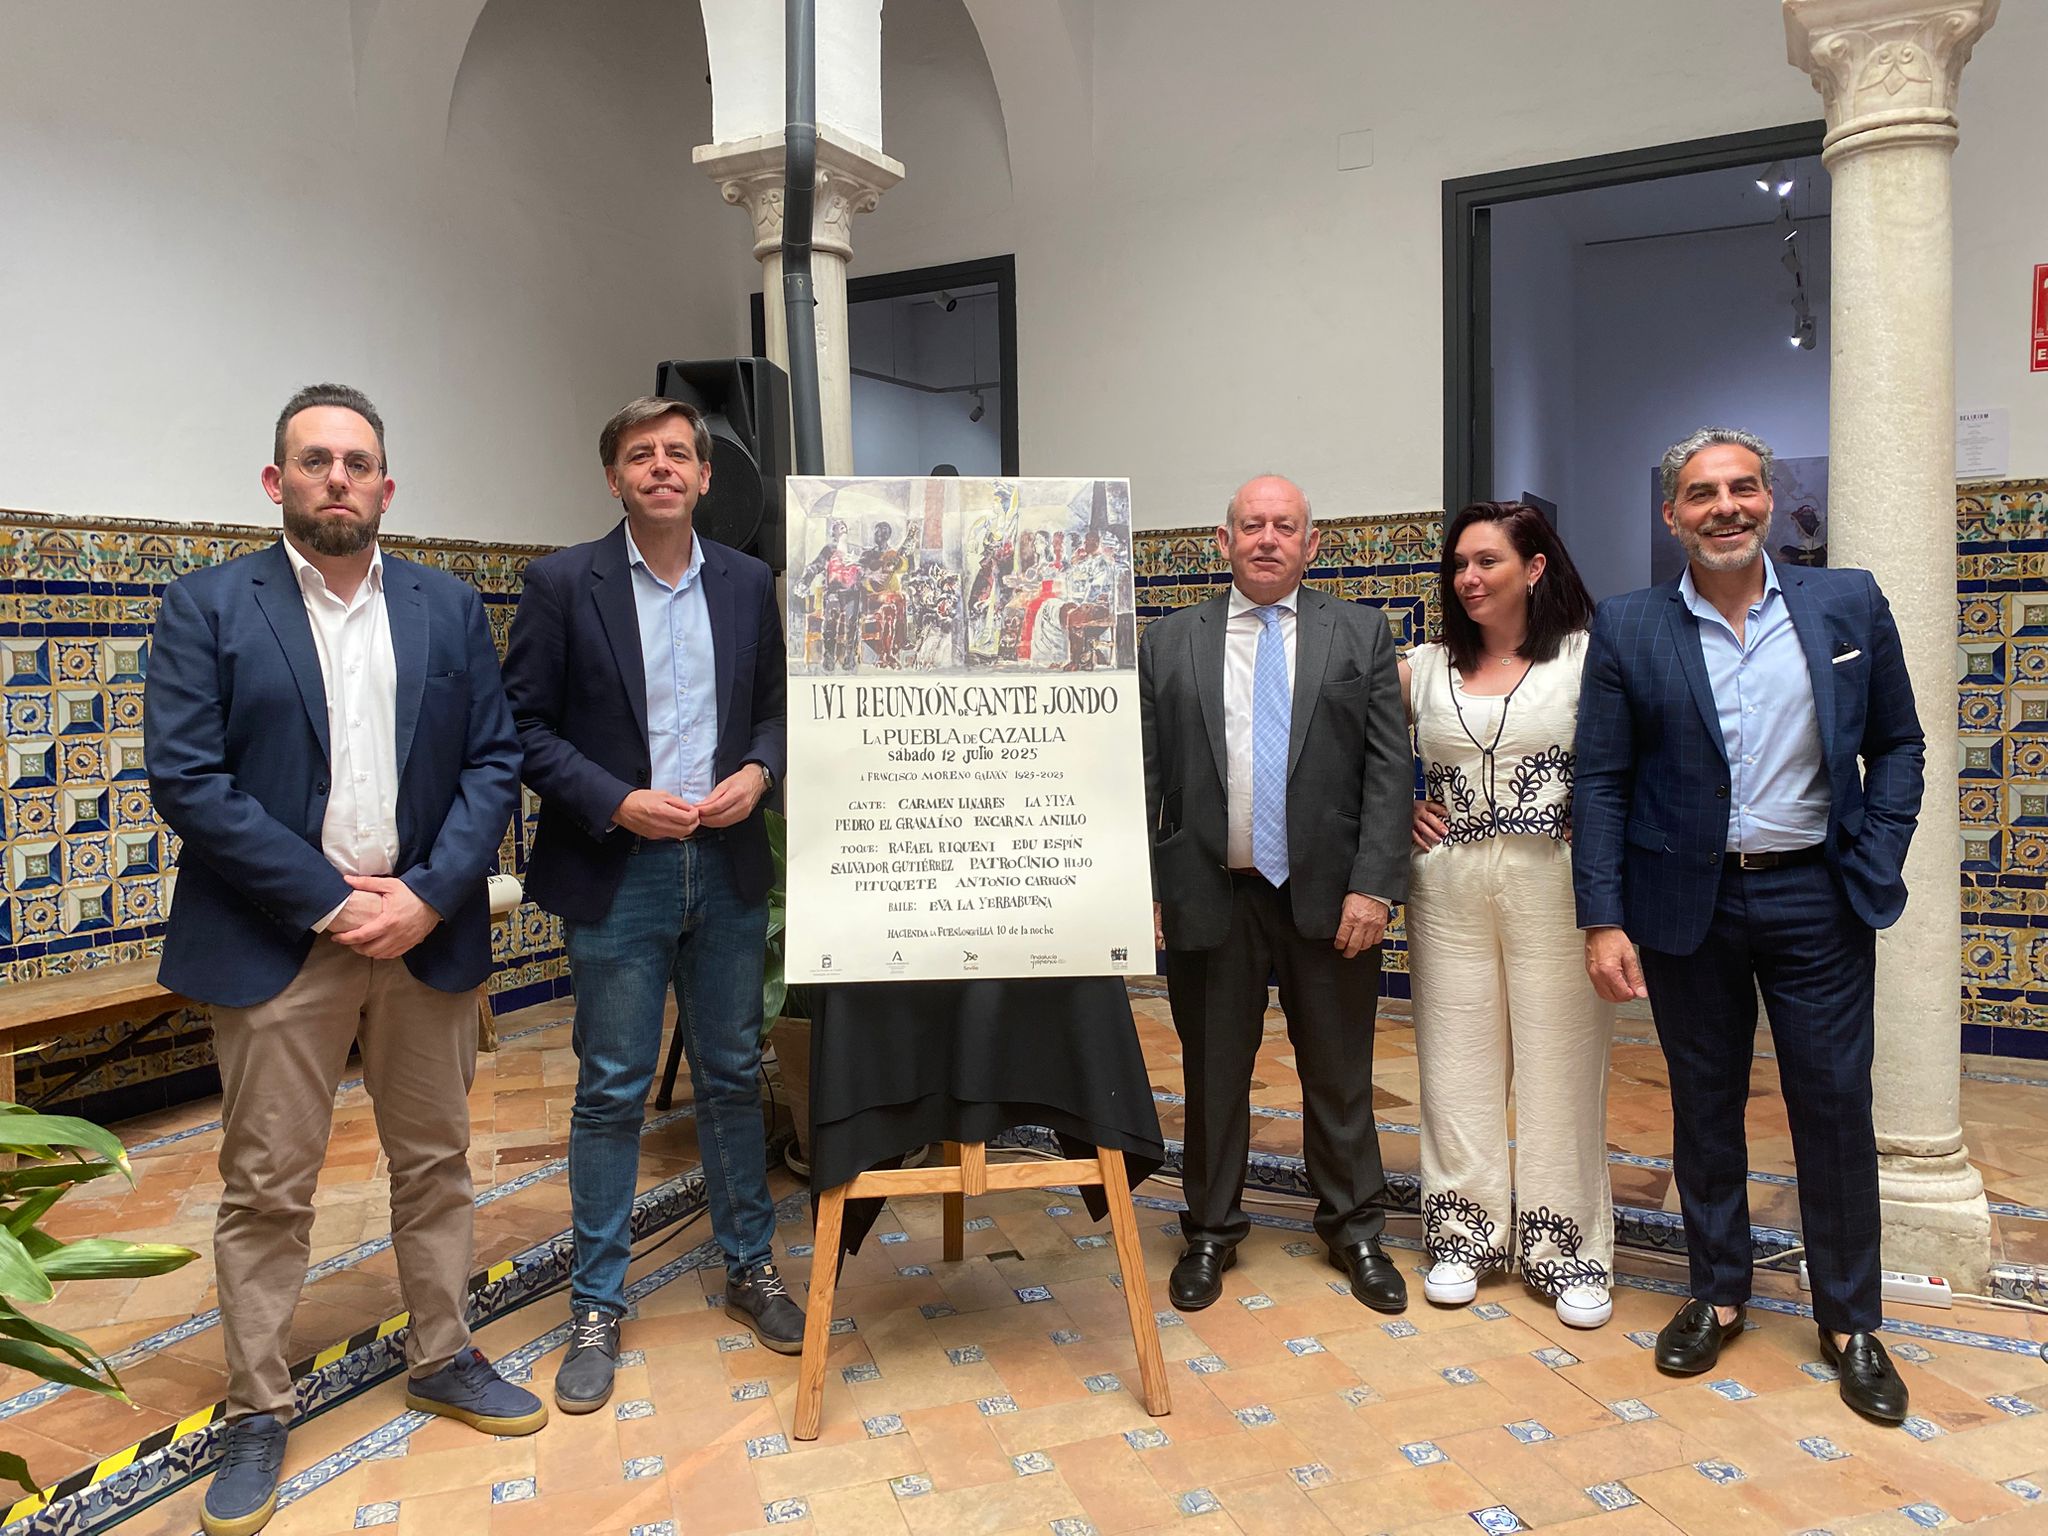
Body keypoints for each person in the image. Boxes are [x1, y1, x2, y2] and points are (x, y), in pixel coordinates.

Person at [145, 384, 541, 1536]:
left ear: (385, 486)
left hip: (423, 936)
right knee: (268, 1185)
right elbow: (189, 779)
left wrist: (426, 894)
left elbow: (493, 762)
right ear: (277, 482)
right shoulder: (208, 606)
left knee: (438, 1162)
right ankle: (258, 1407)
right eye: (314, 460)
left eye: (356, 462)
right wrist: (330, 902)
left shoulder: (445, 607)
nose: (337, 478)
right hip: (279, 942)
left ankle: (443, 1354)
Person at [1573, 427, 1924, 1423]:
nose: (1723, 507)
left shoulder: (1845, 602)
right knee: (1703, 1104)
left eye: (1740, 488)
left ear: (1768, 499)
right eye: (1700, 493)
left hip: (1816, 897)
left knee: (1832, 1105)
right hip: (1685, 905)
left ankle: (1850, 1320)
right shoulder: (1629, 625)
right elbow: (1600, 781)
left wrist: (1875, 855)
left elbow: (1897, 743)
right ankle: (1718, 1292)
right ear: (1671, 514)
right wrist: (1602, 918)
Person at [501, 396, 790, 1415]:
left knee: (731, 1074)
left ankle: (751, 1266)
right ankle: (595, 1304)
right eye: (640, 454)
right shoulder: (560, 584)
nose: (661, 467)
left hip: (725, 863)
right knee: (613, 1087)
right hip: (617, 870)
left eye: (678, 454)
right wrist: (615, 800)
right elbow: (522, 729)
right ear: (614, 477)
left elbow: (776, 711)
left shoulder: (748, 582)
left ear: (705, 477)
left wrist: (759, 770)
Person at [1140, 474, 1411, 1313]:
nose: (1267, 539)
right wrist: (1147, 885)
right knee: (1213, 1074)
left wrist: (1375, 887)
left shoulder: (1360, 634)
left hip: (1330, 901)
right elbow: (1142, 773)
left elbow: (1388, 773)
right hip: (1209, 895)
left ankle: (1355, 1229)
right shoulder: (1168, 642)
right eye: (1251, 525)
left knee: (1339, 1073)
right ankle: (1210, 1230)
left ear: (1311, 543)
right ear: (1223, 542)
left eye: (1284, 526)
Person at [1404, 503, 1615, 1328]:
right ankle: (1463, 1237)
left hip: (1555, 887)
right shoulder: (1424, 667)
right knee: (1454, 1065)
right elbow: (1353, 752)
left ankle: (1570, 1251)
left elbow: (1630, 760)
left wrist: (1601, 833)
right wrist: (1396, 813)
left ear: (1533, 568)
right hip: (1446, 889)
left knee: (1561, 1066)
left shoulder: (1586, 657)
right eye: (1459, 564)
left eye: (1487, 561)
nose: (1469, 578)